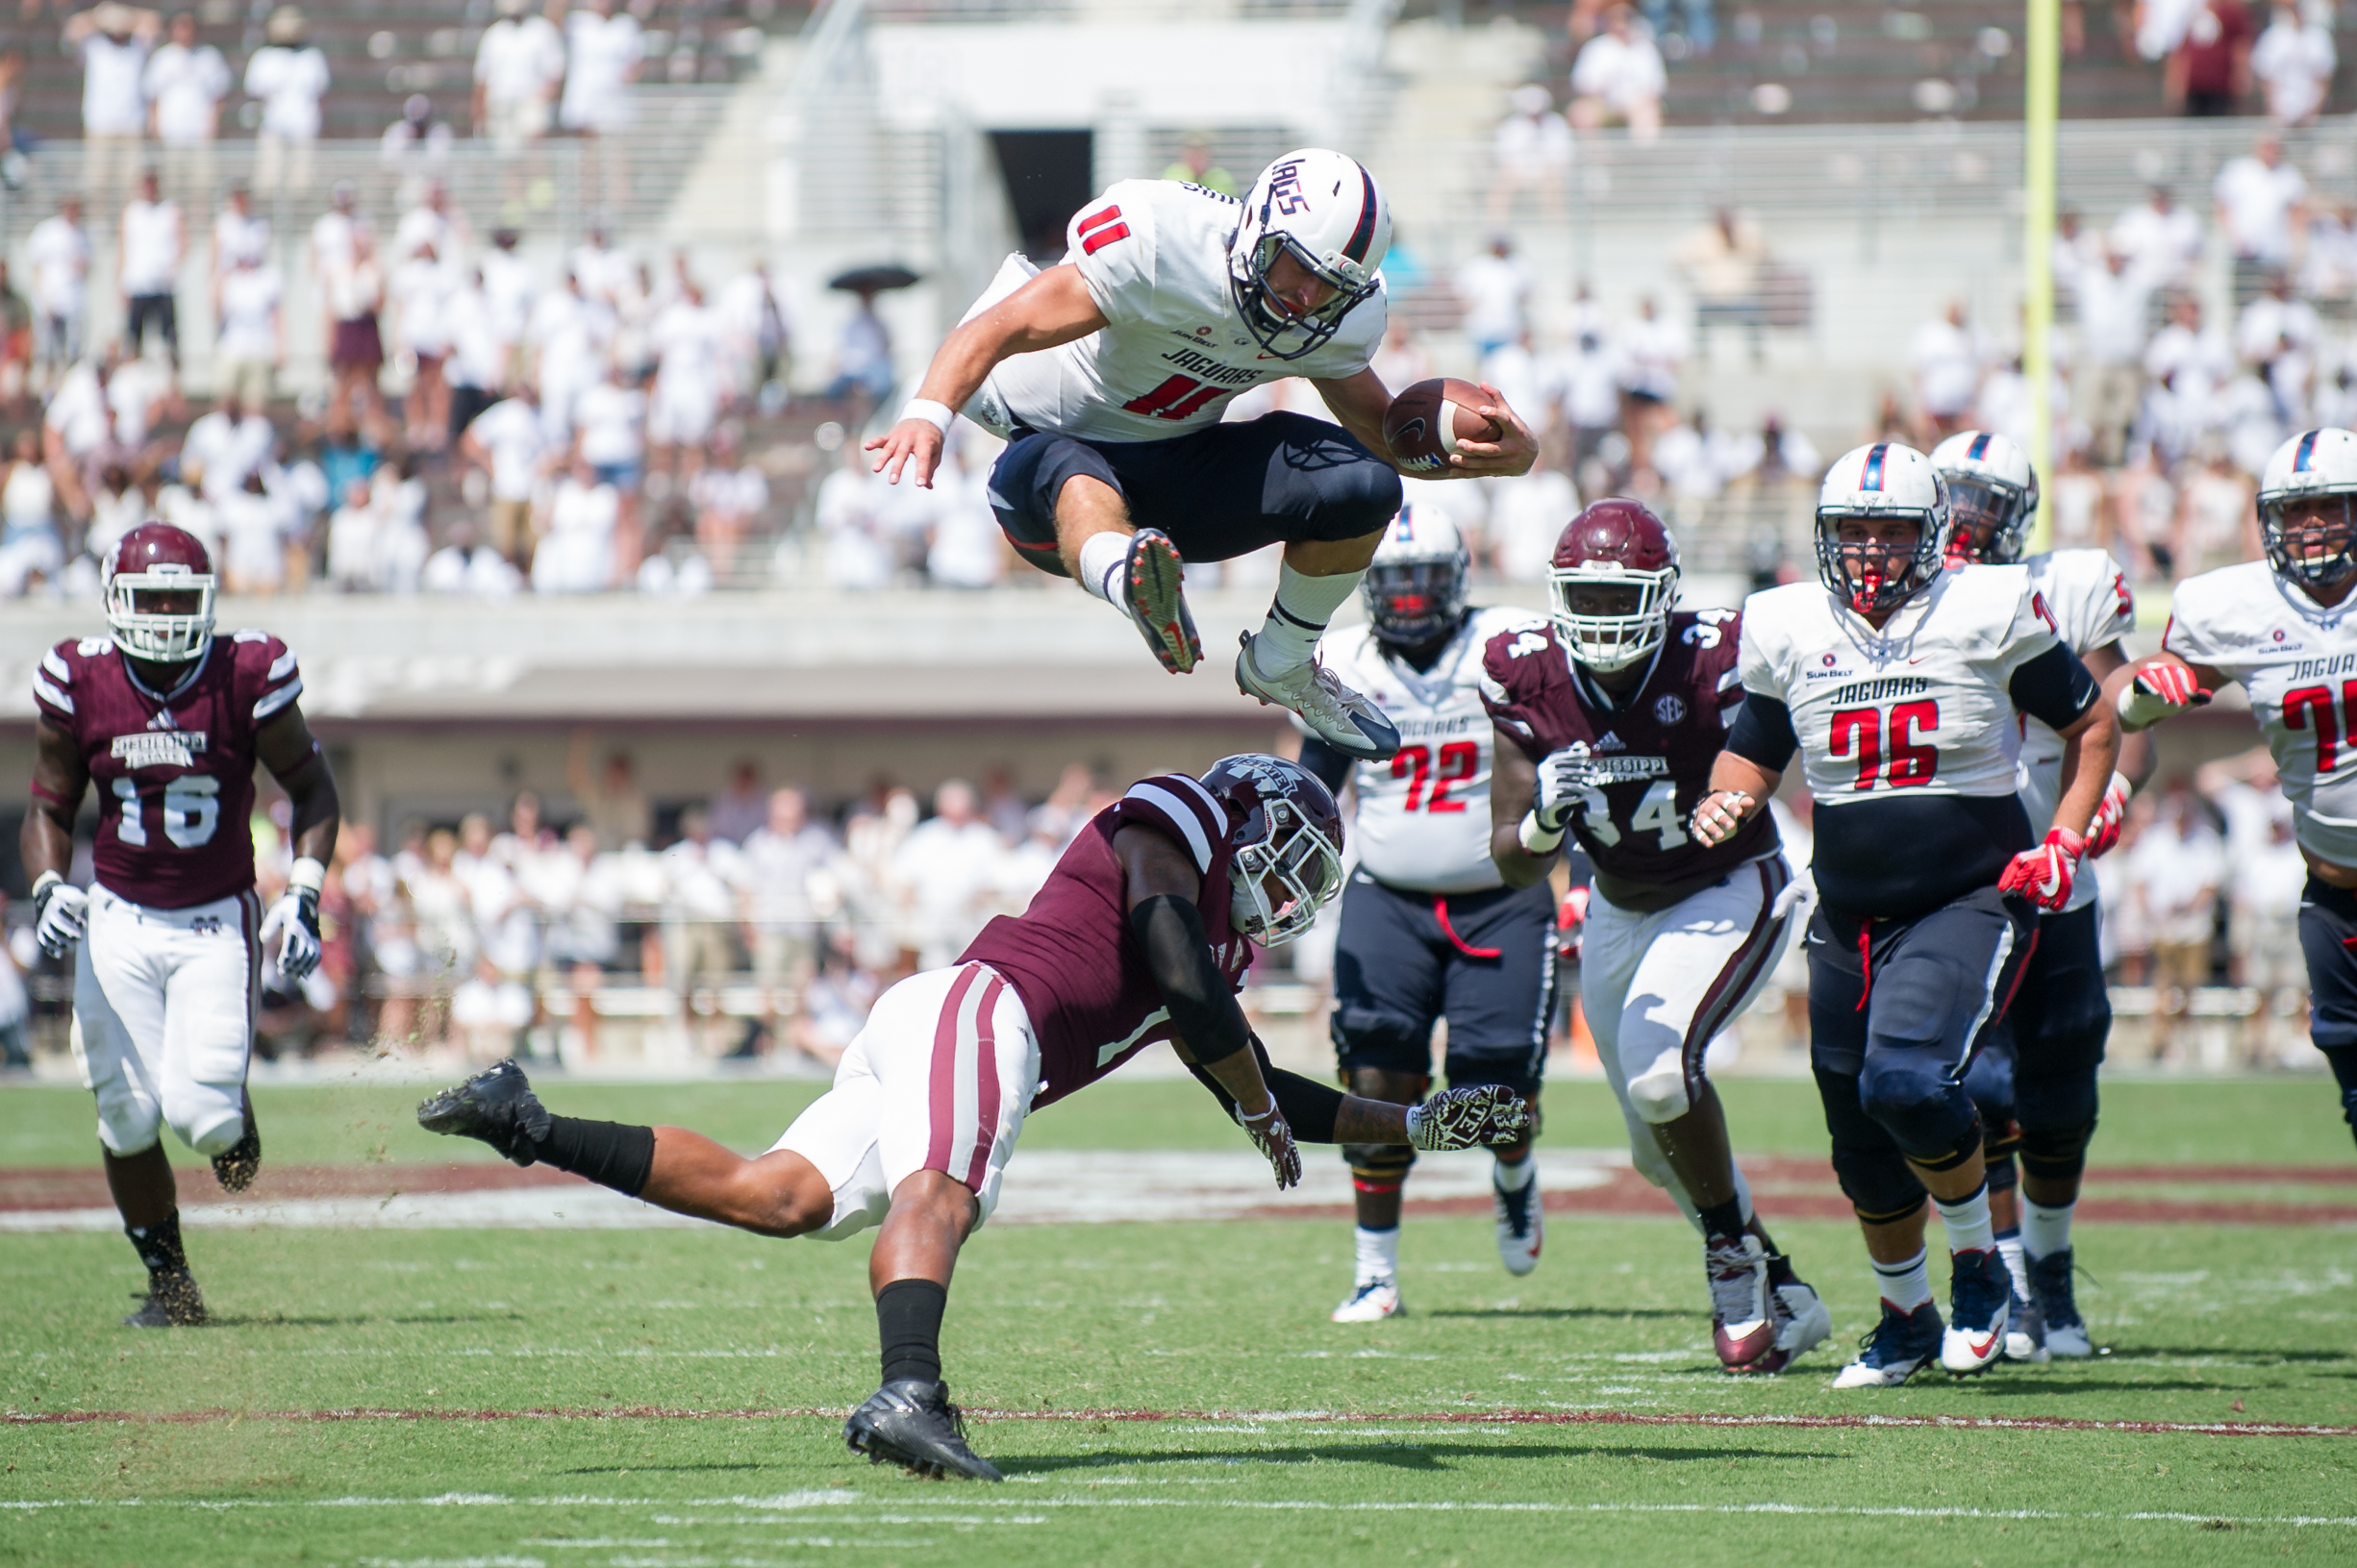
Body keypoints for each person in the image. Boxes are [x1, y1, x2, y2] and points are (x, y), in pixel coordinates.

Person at [418, 754, 1531, 1481]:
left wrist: (1420, 1124)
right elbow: (1185, 981)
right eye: (1287, 863)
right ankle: (911, 1389)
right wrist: (1250, 1104)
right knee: (939, 1192)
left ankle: (525, 1120)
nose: (1287, 895)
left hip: (948, 1020)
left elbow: (1262, 1076)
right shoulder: (1175, 822)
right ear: (1246, 824)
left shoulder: (1215, 945)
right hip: (986, 1006)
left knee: (781, 1194)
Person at [869, 151, 1536, 765]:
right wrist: (928, 413)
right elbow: (996, 326)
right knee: (1068, 464)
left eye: (1330, 286)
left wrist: (1506, 455)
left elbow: (1382, 437)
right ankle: (1129, 576)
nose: (1306, 297)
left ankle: (1283, 660)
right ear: (1255, 230)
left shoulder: (1332, 316)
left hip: (1182, 470)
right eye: (1298, 267)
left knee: (1361, 482)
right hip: (1048, 458)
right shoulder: (1162, 244)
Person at [1694, 441, 2119, 1385]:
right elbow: (1753, 747)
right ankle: (1904, 1317)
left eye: (1890, 529)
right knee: (1857, 1140)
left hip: (1965, 894)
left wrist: (2066, 836)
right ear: (1823, 535)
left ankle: (1977, 1264)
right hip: (1847, 912)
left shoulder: (1987, 607)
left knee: (1906, 1080)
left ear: (1931, 534)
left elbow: (2093, 723)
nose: (1872, 549)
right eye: (1853, 530)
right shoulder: (1787, 621)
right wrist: (1727, 795)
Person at [1488, 498, 1834, 1373]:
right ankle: (1778, 1283)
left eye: (1620, 596)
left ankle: (1727, 1259)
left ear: (1665, 593)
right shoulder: (1521, 671)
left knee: (1656, 1072)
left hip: (1727, 883)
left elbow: (1784, 739)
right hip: (1616, 904)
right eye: (1586, 597)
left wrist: (1745, 796)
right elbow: (1509, 860)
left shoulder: (1717, 652)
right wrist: (1540, 819)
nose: (1601, 615)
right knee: (1653, 1147)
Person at [24, 522, 339, 1327]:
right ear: (113, 600)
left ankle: (231, 1114)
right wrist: (49, 882)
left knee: (206, 1125)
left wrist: (303, 891)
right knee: (124, 1115)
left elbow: (314, 791)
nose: (164, 615)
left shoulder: (246, 672)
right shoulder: (80, 677)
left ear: (207, 602)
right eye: (149, 598)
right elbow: (49, 802)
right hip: (119, 920)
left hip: (214, 920)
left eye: (179, 598)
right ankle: (172, 1286)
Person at [1287, 508, 1563, 1322]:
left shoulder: (1508, 646)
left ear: (1459, 579)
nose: (1407, 597)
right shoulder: (1342, 658)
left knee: (1495, 1084)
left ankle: (1512, 1172)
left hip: (1502, 898)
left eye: (1424, 579)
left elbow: (1560, 767)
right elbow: (1317, 780)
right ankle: (1376, 1271)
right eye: (1393, 581)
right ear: (1370, 586)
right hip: (1387, 897)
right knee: (1376, 1077)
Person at [1932, 430, 2141, 1363]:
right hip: (1957, 876)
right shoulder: (1904, 596)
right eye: (1956, 497)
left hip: (2058, 875)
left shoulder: (2072, 581)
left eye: (1987, 501)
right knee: (1974, 1085)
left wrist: (2117, 787)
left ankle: (2048, 1271)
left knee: (2061, 1094)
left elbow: (2121, 700)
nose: (1968, 518)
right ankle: (2009, 1272)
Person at [2110, 428, 2357, 1150]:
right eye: (2294, 511)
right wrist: (2139, 699)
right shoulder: (2236, 606)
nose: (2309, 526)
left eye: (2328, 507)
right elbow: (2151, 686)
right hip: (2332, 888)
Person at [64, 3, 159, 203]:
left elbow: (153, 23)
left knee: (132, 185)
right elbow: (73, 29)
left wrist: (125, 17)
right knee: (97, 184)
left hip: (132, 126)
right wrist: (100, 16)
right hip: (100, 125)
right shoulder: (94, 45)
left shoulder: (137, 47)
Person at [243, 7, 328, 195]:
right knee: (268, 183)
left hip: (304, 128)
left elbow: (320, 97)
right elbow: (256, 95)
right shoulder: (264, 58)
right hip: (273, 128)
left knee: (302, 186)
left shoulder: (312, 57)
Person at [143, 12, 229, 187]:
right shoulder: (162, 58)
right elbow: (152, 97)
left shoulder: (209, 57)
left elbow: (219, 96)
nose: (184, 32)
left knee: (201, 187)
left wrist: (212, 125)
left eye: (187, 27)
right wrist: (155, 126)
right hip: (171, 133)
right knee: (172, 185)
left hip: (199, 134)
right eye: (180, 27)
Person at [1567, 4, 1666, 141]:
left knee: (1648, 116)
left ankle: (1642, 160)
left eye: (1626, 19)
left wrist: (1637, 101)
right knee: (1582, 114)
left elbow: (1655, 87)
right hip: (1603, 104)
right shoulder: (1596, 47)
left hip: (1635, 104)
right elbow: (1582, 83)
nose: (1622, 24)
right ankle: (1598, 161)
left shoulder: (1645, 48)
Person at [117, 168, 181, 376]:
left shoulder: (169, 210)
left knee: (168, 340)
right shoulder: (132, 213)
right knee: (133, 339)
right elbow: (123, 250)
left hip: (162, 284)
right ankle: (131, 379)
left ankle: (170, 383)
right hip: (138, 284)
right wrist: (120, 284)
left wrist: (171, 268)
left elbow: (183, 242)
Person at [474, 0, 564, 147]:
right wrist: (480, 111)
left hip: (532, 103)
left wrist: (540, 100)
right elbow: (482, 77)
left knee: (533, 150)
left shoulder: (542, 30)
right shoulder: (493, 35)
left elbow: (555, 72)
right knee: (507, 155)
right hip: (501, 105)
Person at [27, 195, 90, 386]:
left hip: (72, 303)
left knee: (71, 351)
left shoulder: (82, 235)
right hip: (50, 301)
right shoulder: (47, 232)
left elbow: (87, 267)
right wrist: (43, 296)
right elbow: (36, 265)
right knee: (47, 353)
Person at [2251, 0, 2334, 124]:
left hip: (2311, 119)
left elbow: (2323, 78)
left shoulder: (2319, 37)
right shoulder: (2272, 36)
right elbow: (2266, 78)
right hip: (2279, 116)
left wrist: (2313, 113)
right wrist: (2275, 112)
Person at [2169, 0, 2254, 113]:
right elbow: (2183, 49)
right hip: (2195, 84)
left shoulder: (2231, 13)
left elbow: (2240, 47)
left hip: (2221, 85)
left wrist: (2241, 75)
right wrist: (2178, 80)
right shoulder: (2193, 13)